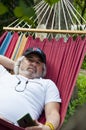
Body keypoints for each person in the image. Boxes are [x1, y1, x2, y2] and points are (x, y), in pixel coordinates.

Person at [0, 47, 61, 130]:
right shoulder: (4, 74)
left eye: (38, 62)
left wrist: (48, 128)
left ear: (43, 69)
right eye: (30, 60)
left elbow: (52, 112)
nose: (34, 64)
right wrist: (16, 65)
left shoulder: (47, 84)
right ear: (20, 62)